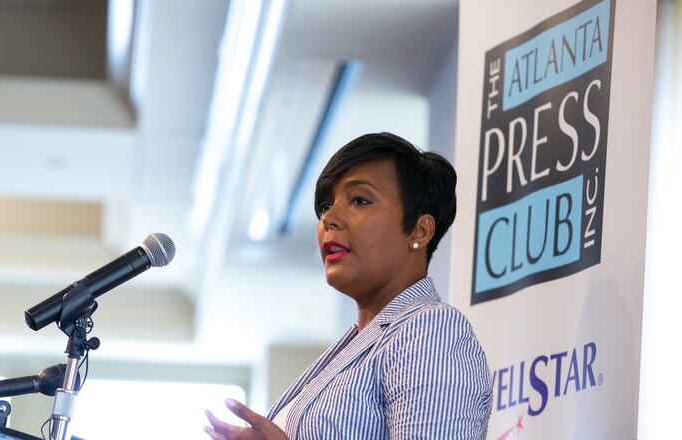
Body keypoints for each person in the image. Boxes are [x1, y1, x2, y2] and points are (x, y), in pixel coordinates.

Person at [204, 132, 492, 439]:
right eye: (326, 205)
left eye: (360, 200)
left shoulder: (430, 330)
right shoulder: (356, 344)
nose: (330, 218)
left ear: (419, 231)